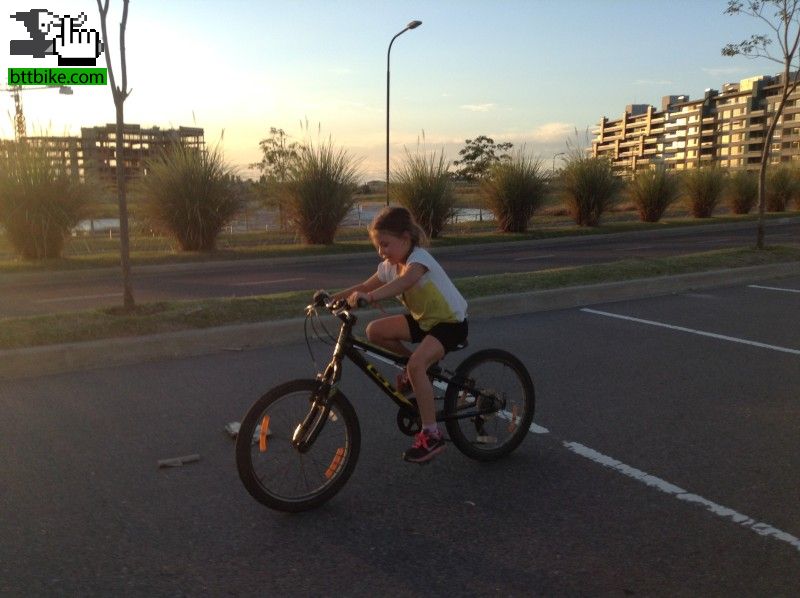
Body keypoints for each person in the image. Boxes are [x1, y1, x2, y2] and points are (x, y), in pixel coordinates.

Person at [334, 206, 468, 464]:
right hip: (425, 322)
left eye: (386, 245)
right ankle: (414, 366)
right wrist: (332, 298)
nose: (381, 251)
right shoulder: (389, 266)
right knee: (375, 331)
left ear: (406, 239)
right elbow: (363, 286)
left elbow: (406, 282)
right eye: (378, 246)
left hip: (450, 324)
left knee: (419, 365)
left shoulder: (420, 260)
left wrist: (369, 298)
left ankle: (431, 435)